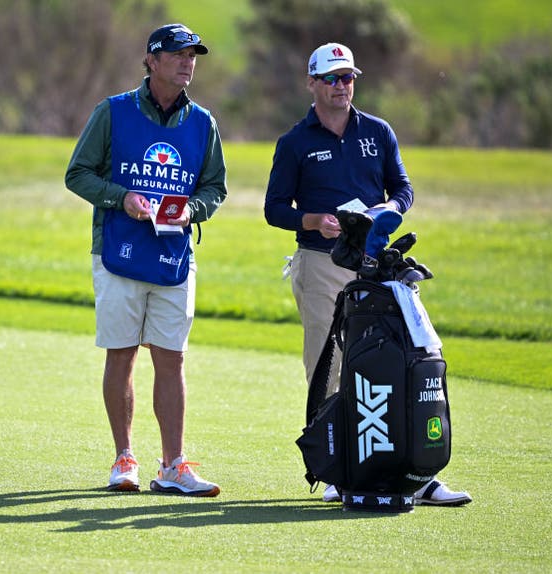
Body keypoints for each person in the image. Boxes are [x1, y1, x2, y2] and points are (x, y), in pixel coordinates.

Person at [264, 42, 471, 506]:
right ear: (312, 83)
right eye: (332, 78)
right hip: (320, 264)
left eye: (348, 77)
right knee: (329, 368)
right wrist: (315, 220)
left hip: (377, 266)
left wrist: (387, 209)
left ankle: (415, 472)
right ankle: (339, 469)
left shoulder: (377, 131)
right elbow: (275, 209)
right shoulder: (295, 142)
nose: (342, 86)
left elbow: (403, 188)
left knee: (401, 362)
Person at [65, 23, 227, 497]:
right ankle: (124, 459)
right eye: (178, 53)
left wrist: (191, 209)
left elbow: (214, 187)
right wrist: (121, 198)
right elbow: (78, 174)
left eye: (193, 54)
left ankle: (173, 465)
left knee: (172, 358)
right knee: (122, 353)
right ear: (152, 60)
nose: (188, 61)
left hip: (174, 254)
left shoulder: (203, 122)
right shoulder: (112, 112)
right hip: (118, 249)